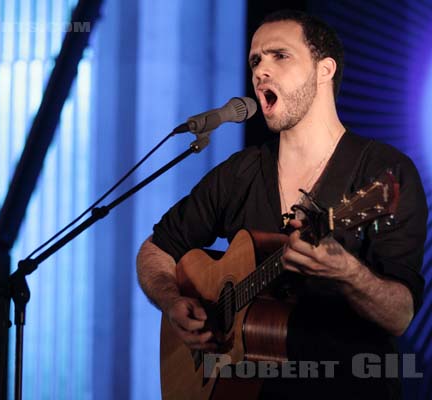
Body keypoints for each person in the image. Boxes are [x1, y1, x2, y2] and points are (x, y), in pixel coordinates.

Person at [136, 9, 427, 399]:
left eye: (280, 56)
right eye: (256, 60)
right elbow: (156, 249)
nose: (260, 71)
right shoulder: (241, 172)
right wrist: (173, 303)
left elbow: (400, 316)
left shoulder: (382, 173)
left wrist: (348, 273)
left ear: (324, 70)